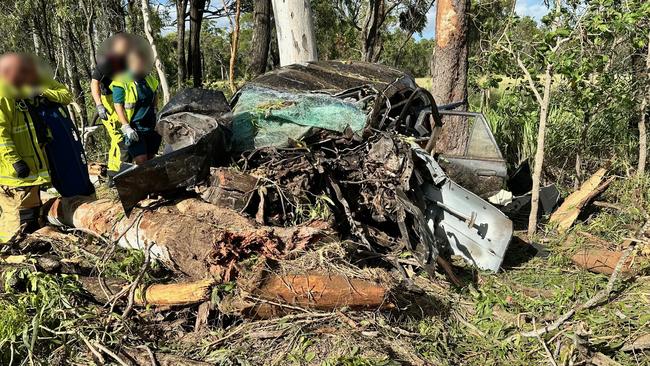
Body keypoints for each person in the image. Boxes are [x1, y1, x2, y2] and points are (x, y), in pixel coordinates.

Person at [0, 53, 72, 243]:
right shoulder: (3, 93)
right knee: (16, 218)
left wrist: (41, 92)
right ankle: (11, 254)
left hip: (30, 170)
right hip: (14, 174)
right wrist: (14, 160)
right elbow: (1, 132)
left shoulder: (19, 89)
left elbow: (64, 95)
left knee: (31, 215)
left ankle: (29, 248)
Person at [90, 34, 131, 183]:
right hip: (109, 102)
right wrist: (99, 105)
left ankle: (117, 173)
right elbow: (94, 83)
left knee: (123, 138)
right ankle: (115, 176)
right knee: (120, 139)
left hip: (122, 100)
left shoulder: (128, 61)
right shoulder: (107, 61)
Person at [111, 48, 161, 165]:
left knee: (150, 159)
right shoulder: (121, 81)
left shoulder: (149, 79)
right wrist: (126, 126)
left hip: (150, 125)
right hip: (134, 127)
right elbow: (118, 106)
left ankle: (150, 183)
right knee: (141, 160)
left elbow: (155, 97)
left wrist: (156, 114)